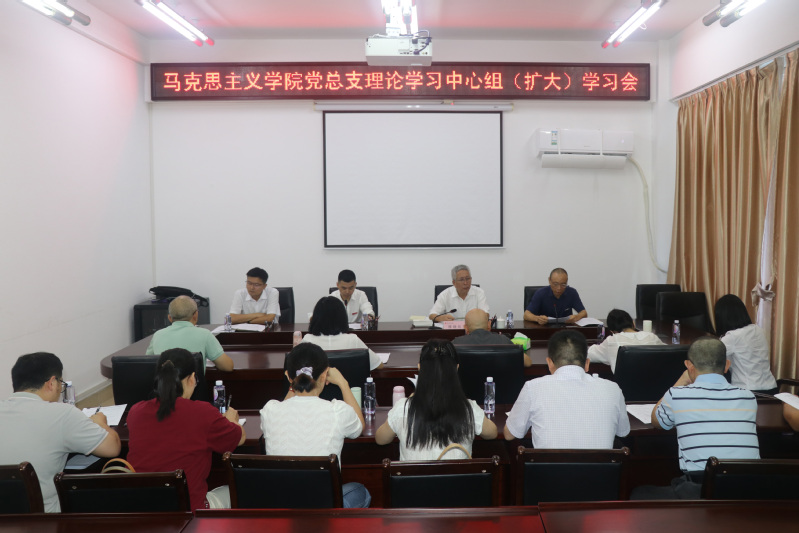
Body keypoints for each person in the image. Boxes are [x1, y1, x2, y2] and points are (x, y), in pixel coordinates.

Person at [631, 337, 760, 500]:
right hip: (748, 488)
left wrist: (682, 380)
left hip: (702, 490)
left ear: (689, 366)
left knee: (638, 494)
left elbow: (657, 421)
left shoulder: (677, 395)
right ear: (727, 365)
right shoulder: (748, 397)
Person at [0, 352, 121, 512]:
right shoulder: (62, 414)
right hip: (45, 519)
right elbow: (112, 448)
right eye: (60, 382)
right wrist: (101, 423)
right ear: (51, 383)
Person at [127, 348, 245, 511]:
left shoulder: (136, 412)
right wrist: (232, 420)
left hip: (144, 511)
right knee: (241, 489)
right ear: (192, 378)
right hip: (191, 514)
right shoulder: (203, 413)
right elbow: (239, 439)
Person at [260, 343, 371, 507]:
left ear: (288, 377)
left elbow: (284, 406)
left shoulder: (270, 411)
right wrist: (343, 383)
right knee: (361, 491)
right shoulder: (337, 411)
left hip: (283, 506)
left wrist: (294, 383)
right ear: (325, 375)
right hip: (324, 509)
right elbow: (359, 426)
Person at [504, 329, 629, 448]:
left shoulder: (532, 388)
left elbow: (509, 435)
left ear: (549, 363)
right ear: (587, 364)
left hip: (549, 465)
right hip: (600, 465)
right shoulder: (613, 390)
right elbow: (623, 432)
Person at [375, 339, 497, 459]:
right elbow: (492, 433)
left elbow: (380, 439)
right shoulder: (469, 409)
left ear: (419, 368)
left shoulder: (403, 409)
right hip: (456, 474)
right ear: (456, 368)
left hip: (416, 474)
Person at [146, 295, 234, 372]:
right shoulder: (204, 334)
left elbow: (148, 364)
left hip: (165, 386)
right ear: (195, 315)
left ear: (169, 318)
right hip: (193, 386)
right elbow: (227, 366)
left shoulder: (158, 335)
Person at [714, 294, 778, 394]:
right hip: (771, 390)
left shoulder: (732, 337)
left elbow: (711, 356)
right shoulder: (758, 330)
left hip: (749, 392)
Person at [302, 296, 382, 370]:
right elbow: (379, 365)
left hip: (318, 382)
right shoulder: (352, 340)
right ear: (342, 317)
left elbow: (295, 365)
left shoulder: (308, 340)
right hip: (347, 381)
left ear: (316, 318)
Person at [587, 309, 664, 372]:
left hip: (625, 385)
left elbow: (588, 354)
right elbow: (669, 351)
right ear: (633, 323)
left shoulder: (612, 340)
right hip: (656, 383)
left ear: (612, 331)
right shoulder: (651, 337)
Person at [453, 309, 532, 367]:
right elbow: (528, 363)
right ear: (489, 325)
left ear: (466, 328)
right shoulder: (503, 341)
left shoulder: (456, 344)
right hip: (499, 385)